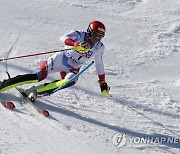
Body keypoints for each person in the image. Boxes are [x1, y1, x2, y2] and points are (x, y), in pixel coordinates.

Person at [0, 20, 110, 101]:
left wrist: (102, 82)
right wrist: (75, 44)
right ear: (89, 31)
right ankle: (3, 85)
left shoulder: (99, 47)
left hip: (73, 68)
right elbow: (63, 37)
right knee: (37, 77)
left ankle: (36, 91)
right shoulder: (79, 35)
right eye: (96, 35)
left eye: (100, 37)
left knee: (71, 80)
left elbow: (99, 64)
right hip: (60, 59)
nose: (97, 39)